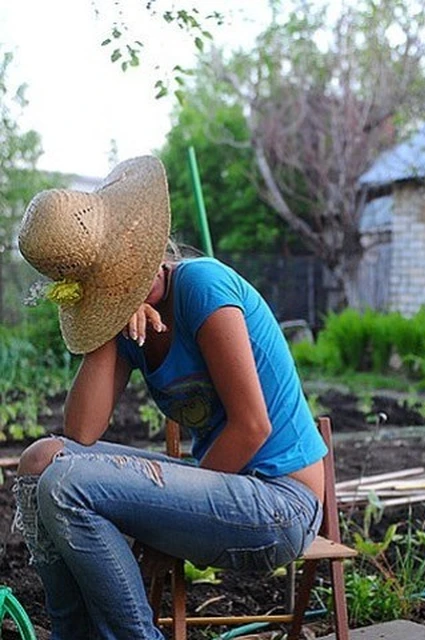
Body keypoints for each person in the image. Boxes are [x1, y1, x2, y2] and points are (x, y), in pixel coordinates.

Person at [12, 156, 327, 640]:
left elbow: (253, 427)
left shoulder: (202, 286)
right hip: (221, 493)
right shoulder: (129, 324)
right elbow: (81, 433)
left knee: (68, 485)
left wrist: (174, 518)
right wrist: (106, 323)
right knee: (40, 463)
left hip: (279, 502)